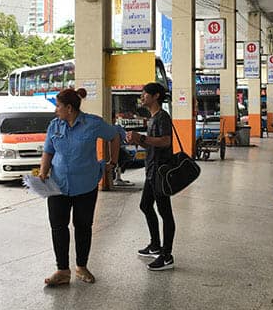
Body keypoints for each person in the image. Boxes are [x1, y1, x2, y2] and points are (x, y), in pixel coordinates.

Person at [39, 88, 120, 286]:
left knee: (83, 226)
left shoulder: (93, 123)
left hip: (86, 184)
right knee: (58, 227)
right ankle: (62, 270)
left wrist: (112, 161)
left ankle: (81, 266)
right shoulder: (54, 126)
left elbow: (114, 135)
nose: (56, 110)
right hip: (57, 185)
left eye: (58, 106)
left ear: (69, 108)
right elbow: (48, 151)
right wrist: (43, 171)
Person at [126, 83, 175, 271]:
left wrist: (142, 138)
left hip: (161, 172)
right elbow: (153, 145)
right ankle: (155, 244)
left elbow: (165, 141)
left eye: (145, 93)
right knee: (145, 205)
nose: (142, 96)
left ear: (156, 96)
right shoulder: (152, 118)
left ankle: (167, 255)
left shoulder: (162, 117)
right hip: (151, 171)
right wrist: (138, 140)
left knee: (165, 212)